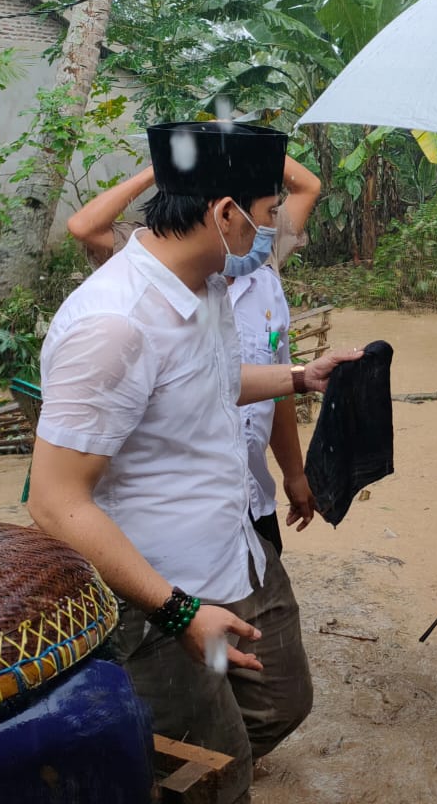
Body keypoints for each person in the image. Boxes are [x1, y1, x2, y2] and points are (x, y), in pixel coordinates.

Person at [28, 120, 363, 804]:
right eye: (269, 218)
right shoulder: (114, 325)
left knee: (283, 700)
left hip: (231, 546)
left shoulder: (205, 284)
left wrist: (300, 376)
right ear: (224, 214)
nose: (272, 235)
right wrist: (179, 613)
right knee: (216, 772)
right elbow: (56, 502)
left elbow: (212, 377)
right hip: (156, 591)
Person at [67, 151, 323, 554]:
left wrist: (294, 470)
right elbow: (83, 226)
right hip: (173, 520)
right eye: (271, 213)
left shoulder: (262, 271)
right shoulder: (129, 302)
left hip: (249, 492)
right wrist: (167, 164)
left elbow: (253, 385)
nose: (275, 226)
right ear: (225, 215)